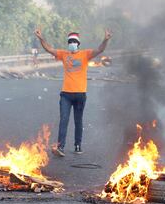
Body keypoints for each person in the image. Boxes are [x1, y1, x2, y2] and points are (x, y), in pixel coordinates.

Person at [34, 27, 112, 157]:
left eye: (73, 41)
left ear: (78, 44)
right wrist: (41, 38)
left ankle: (77, 145)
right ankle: (60, 147)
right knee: (64, 119)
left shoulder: (85, 54)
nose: (71, 44)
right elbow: (49, 49)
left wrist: (105, 39)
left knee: (78, 120)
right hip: (66, 94)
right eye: (69, 41)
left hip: (80, 94)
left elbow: (100, 50)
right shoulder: (64, 54)